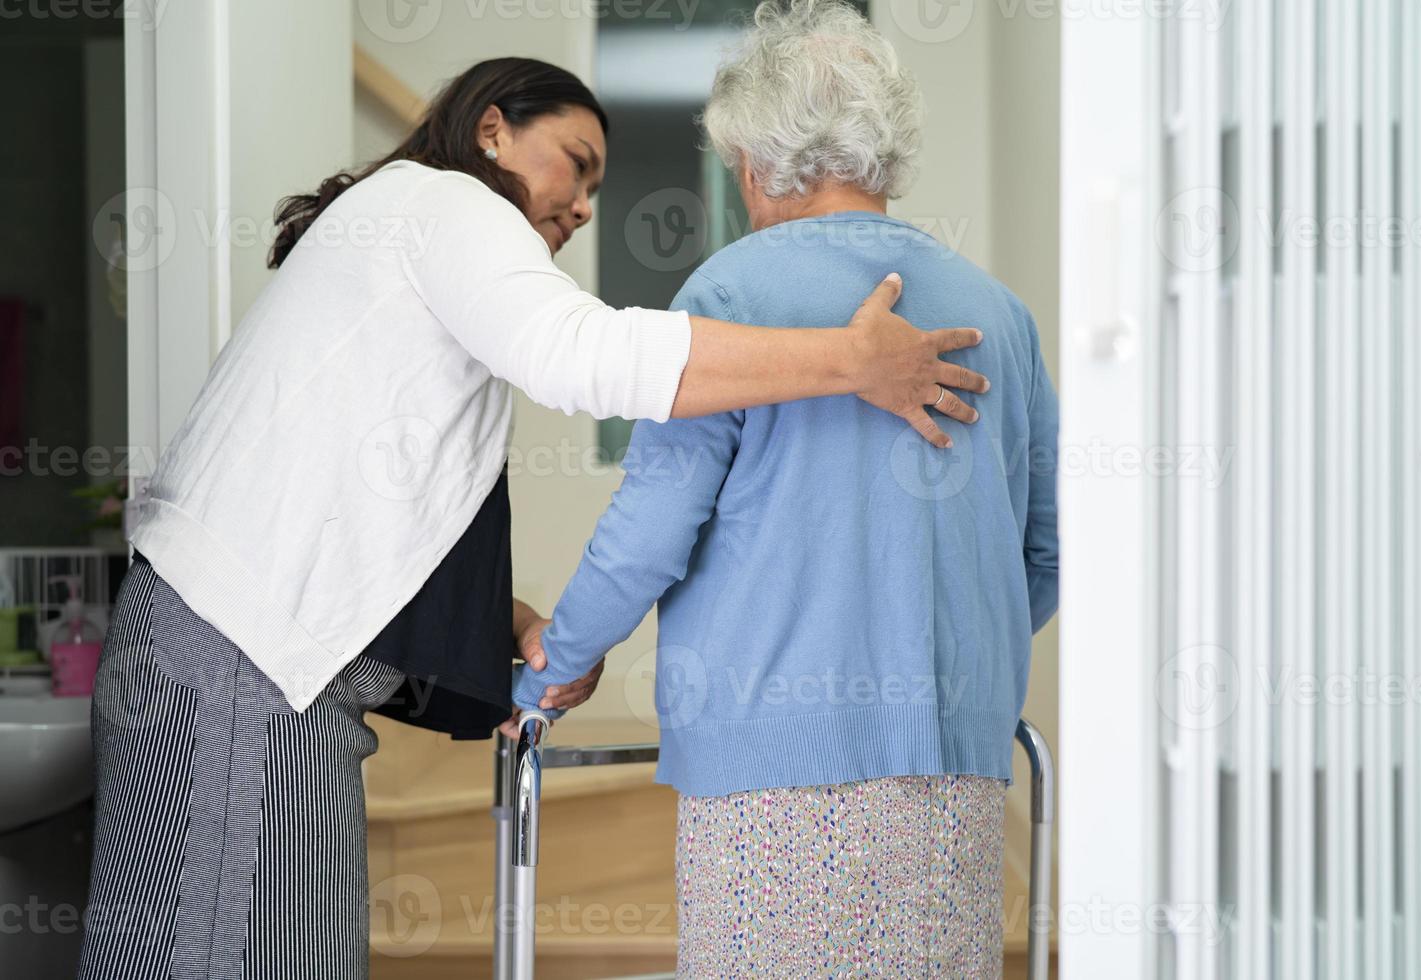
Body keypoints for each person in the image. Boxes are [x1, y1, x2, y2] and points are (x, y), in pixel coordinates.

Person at [75, 56, 990, 978]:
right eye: (575, 162)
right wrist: (850, 360)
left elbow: (390, 505)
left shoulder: (414, 233)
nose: (587, 203)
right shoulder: (447, 206)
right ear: (492, 131)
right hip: (238, 658)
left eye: (598, 184)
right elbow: (583, 356)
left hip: (244, 657)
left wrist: (525, 628)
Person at [508, 4, 1059, 976]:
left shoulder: (730, 296)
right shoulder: (999, 314)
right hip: (957, 752)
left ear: (757, 162)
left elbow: (648, 529)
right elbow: (1046, 546)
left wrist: (561, 655)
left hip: (772, 764)